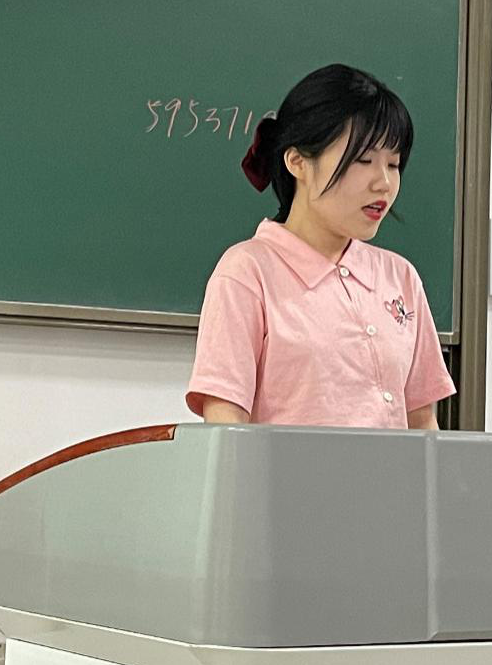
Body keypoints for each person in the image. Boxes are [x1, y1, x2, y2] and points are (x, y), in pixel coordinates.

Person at [185, 63, 456, 429]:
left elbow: (422, 422)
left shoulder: (400, 276)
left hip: (394, 471)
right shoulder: (247, 272)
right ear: (297, 161)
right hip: (286, 471)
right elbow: (225, 423)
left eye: (393, 164)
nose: (384, 183)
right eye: (363, 160)